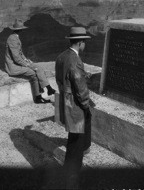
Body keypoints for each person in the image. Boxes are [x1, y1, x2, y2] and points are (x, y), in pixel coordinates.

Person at [55, 26, 92, 189]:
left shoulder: (62, 56)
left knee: (73, 138)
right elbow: (80, 89)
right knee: (76, 143)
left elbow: (61, 78)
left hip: (65, 100)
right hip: (75, 106)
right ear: (81, 43)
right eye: (85, 43)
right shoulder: (76, 61)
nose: (85, 46)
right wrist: (86, 106)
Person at [5, 19, 56, 104]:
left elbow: (20, 54)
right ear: (20, 29)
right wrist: (27, 65)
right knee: (33, 73)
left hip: (18, 63)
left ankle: (48, 89)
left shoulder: (14, 37)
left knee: (38, 68)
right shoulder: (12, 39)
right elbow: (16, 57)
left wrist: (26, 60)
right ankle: (39, 97)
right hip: (13, 67)